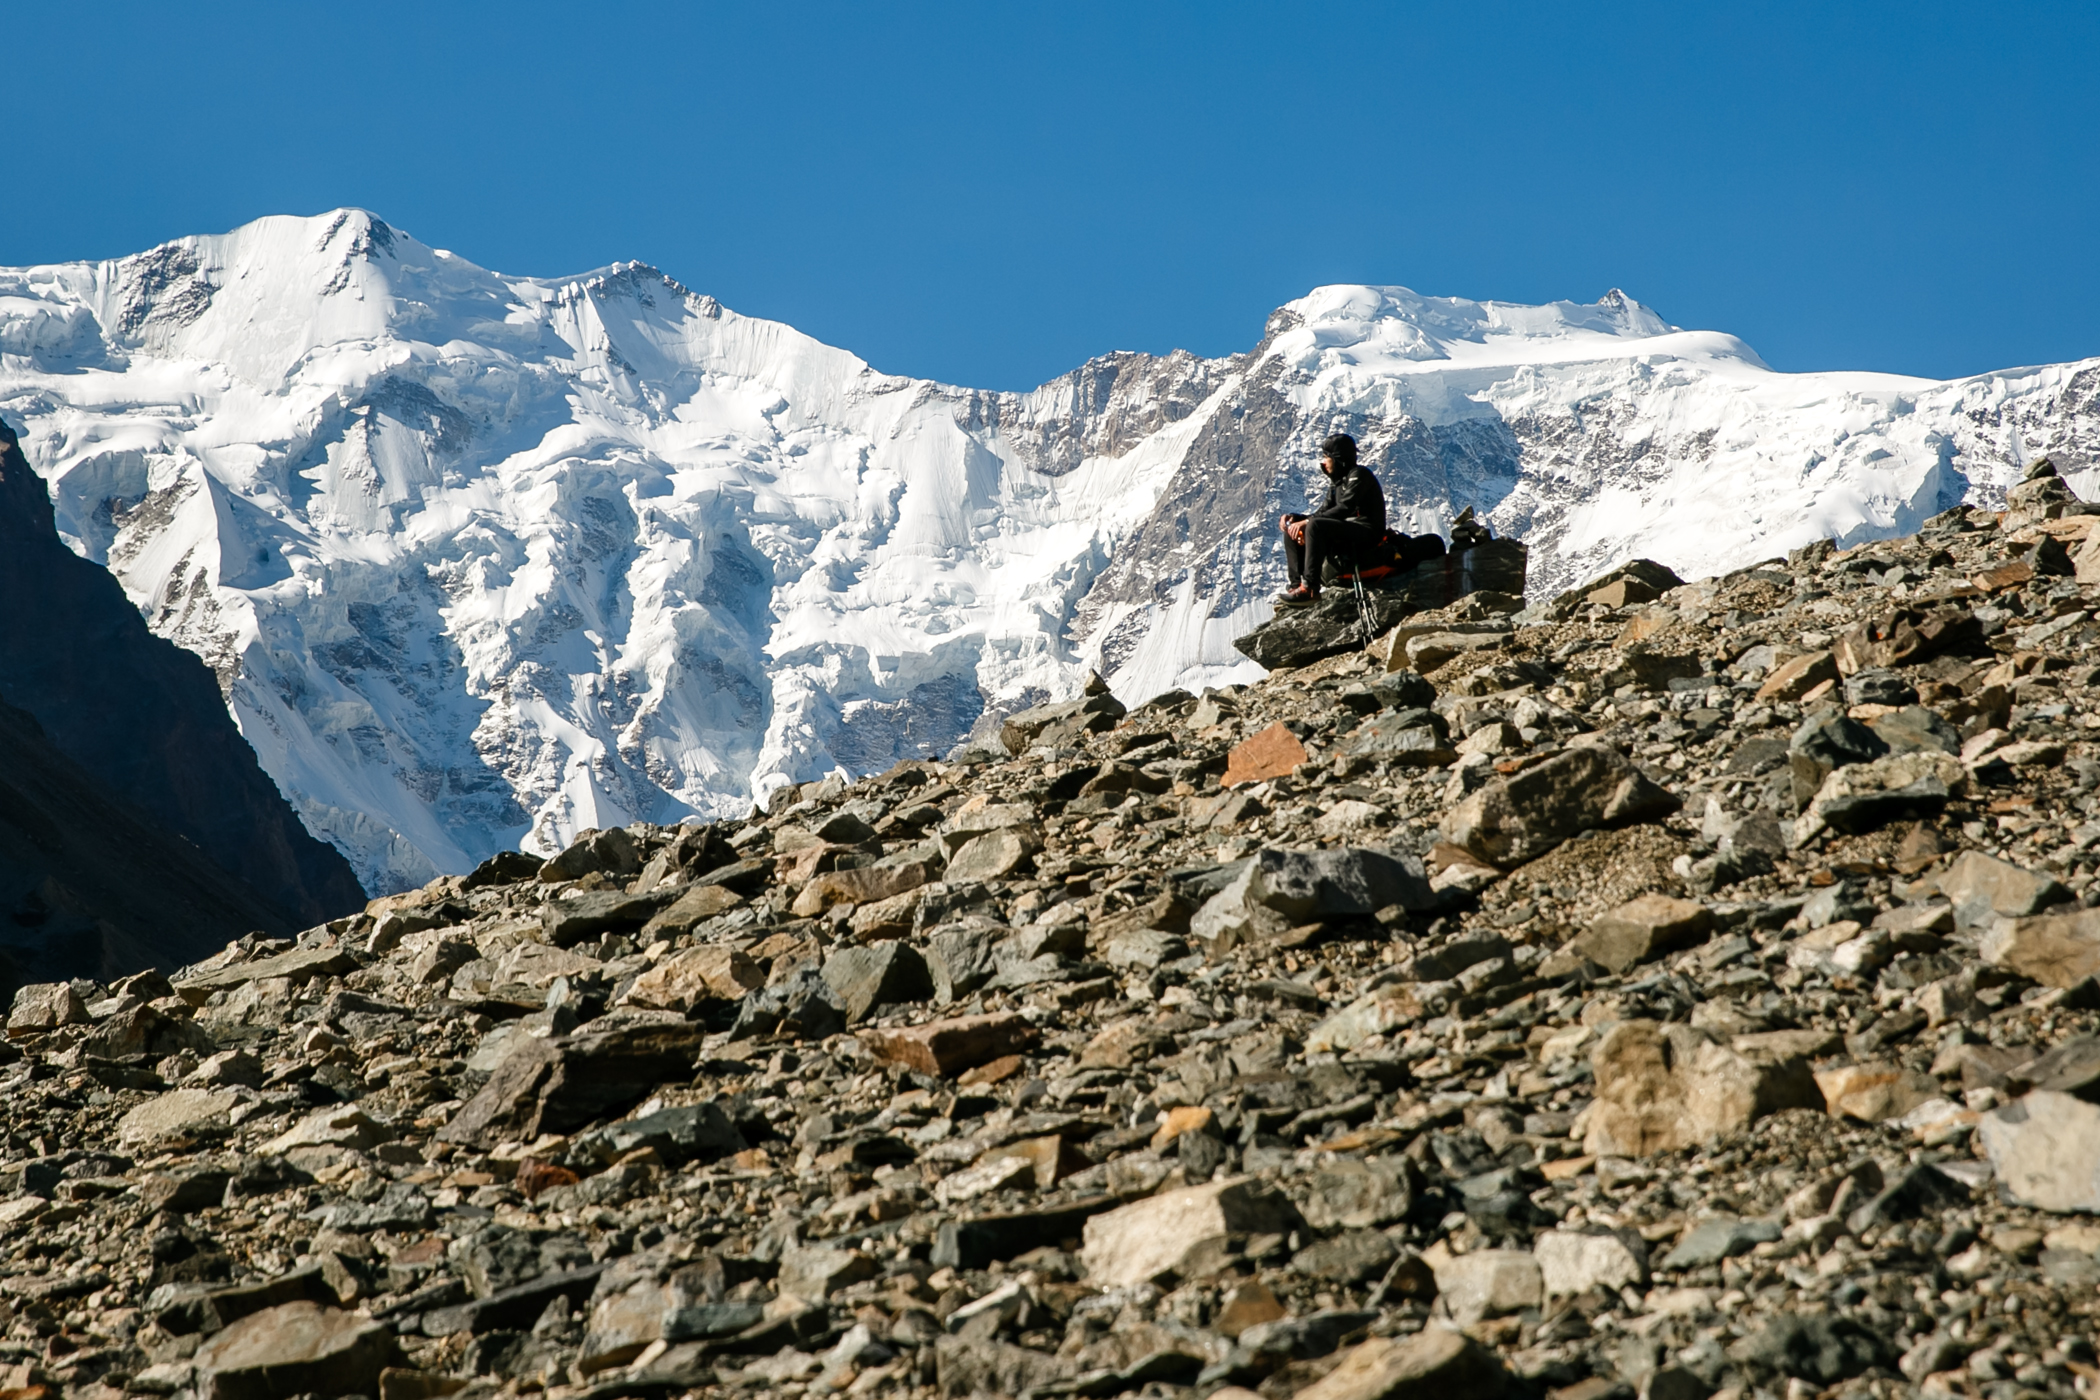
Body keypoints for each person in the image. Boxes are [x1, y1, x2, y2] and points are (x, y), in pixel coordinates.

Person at [1276, 432, 1385, 607]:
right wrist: (1296, 519)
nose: (1323, 462)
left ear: (1337, 458)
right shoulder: (1337, 484)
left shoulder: (1360, 474)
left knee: (1314, 525)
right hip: (1348, 529)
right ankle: (1296, 587)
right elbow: (1323, 511)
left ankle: (1310, 589)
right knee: (1294, 527)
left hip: (1367, 531)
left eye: (1326, 457)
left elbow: (1345, 507)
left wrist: (1307, 523)